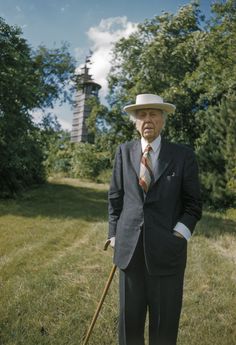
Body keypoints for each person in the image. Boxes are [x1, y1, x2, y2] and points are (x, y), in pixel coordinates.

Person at [106, 94, 202, 345]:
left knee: (164, 329)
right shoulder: (124, 152)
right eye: (142, 115)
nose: (147, 119)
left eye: (153, 114)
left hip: (167, 254)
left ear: (163, 120)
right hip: (129, 253)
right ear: (135, 122)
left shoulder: (182, 156)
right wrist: (114, 235)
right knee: (130, 327)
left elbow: (193, 205)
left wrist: (178, 236)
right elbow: (115, 199)